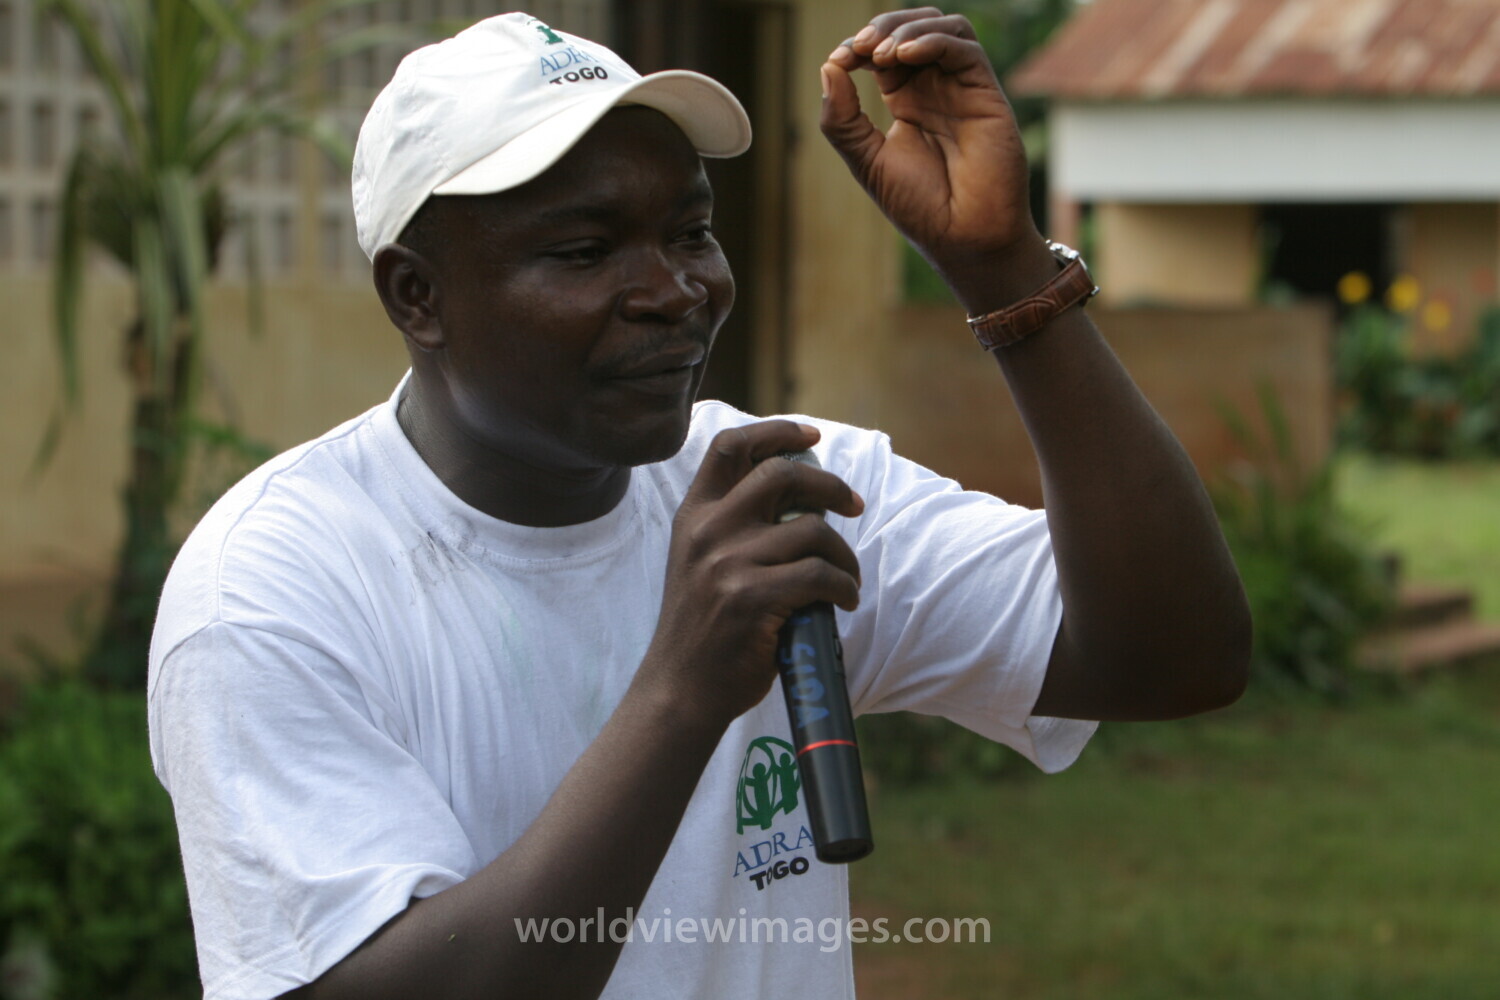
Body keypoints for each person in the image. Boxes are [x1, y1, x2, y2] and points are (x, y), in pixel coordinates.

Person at [148, 8, 1250, 1000]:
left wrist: (1009, 276)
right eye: (585, 250)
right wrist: (681, 694)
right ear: (417, 296)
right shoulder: (272, 588)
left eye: (689, 232)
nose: (676, 293)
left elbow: (1175, 656)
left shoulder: (774, 491)